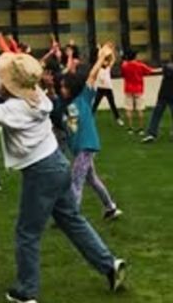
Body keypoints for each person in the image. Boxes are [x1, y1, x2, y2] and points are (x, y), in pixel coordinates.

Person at [0, 53, 127, 302]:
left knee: (27, 232)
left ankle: (26, 291)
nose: (1, 80)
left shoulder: (19, 106)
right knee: (72, 220)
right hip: (57, 165)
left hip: (41, 172)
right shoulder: (35, 93)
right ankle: (109, 265)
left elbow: (2, 114)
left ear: (14, 83)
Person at [62, 45, 123, 220]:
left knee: (76, 181)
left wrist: (100, 58)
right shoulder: (67, 104)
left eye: (65, 87)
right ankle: (110, 207)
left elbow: (91, 76)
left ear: (73, 88)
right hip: (80, 148)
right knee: (91, 179)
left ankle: (71, 216)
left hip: (86, 146)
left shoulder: (84, 97)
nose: (62, 89)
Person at [121, 49, 158, 135]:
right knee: (140, 108)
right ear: (135, 56)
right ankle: (141, 128)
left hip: (128, 89)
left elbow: (123, 74)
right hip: (138, 88)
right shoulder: (140, 65)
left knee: (128, 108)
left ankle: (130, 128)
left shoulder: (124, 65)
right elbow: (151, 71)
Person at [142, 56, 173, 143]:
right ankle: (151, 133)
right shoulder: (167, 68)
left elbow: (157, 70)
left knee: (156, 115)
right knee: (157, 114)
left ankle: (151, 133)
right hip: (168, 95)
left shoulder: (167, 67)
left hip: (163, 94)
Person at [91, 51, 122, 126]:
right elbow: (99, 60)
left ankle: (118, 119)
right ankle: (90, 118)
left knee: (112, 104)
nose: (105, 63)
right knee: (95, 104)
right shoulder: (98, 68)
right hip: (100, 89)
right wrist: (100, 50)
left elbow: (113, 60)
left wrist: (111, 52)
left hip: (108, 89)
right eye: (104, 61)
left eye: (106, 61)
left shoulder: (108, 68)